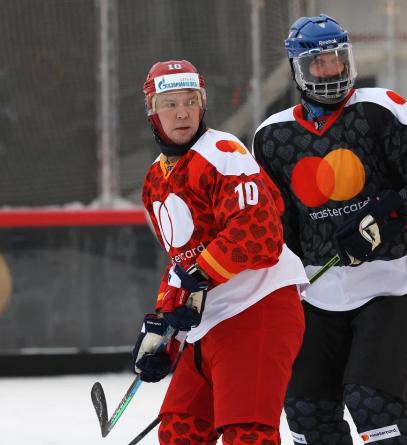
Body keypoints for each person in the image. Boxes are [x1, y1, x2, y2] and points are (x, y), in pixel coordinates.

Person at [252, 14, 407, 445]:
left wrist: (383, 214)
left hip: (394, 285)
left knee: (372, 404)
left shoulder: (381, 108)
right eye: (317, 63)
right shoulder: (271, 137)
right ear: (297, 69)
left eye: (336, 59)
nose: (330, 71)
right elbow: (275, 233)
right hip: (317, 295)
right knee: (307, 414)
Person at [132, 59, 309, 445]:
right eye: (169, 103)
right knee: (180, 430)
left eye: (190, 101)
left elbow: (258, 233)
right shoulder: (153, 181)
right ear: (152, 111)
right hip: (209, 324)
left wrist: (198, 277)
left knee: (247, 435)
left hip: (258, 309)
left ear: (202, 105)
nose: (182, 112)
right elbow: (181, 262)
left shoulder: (224, 151)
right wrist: (163, 330)